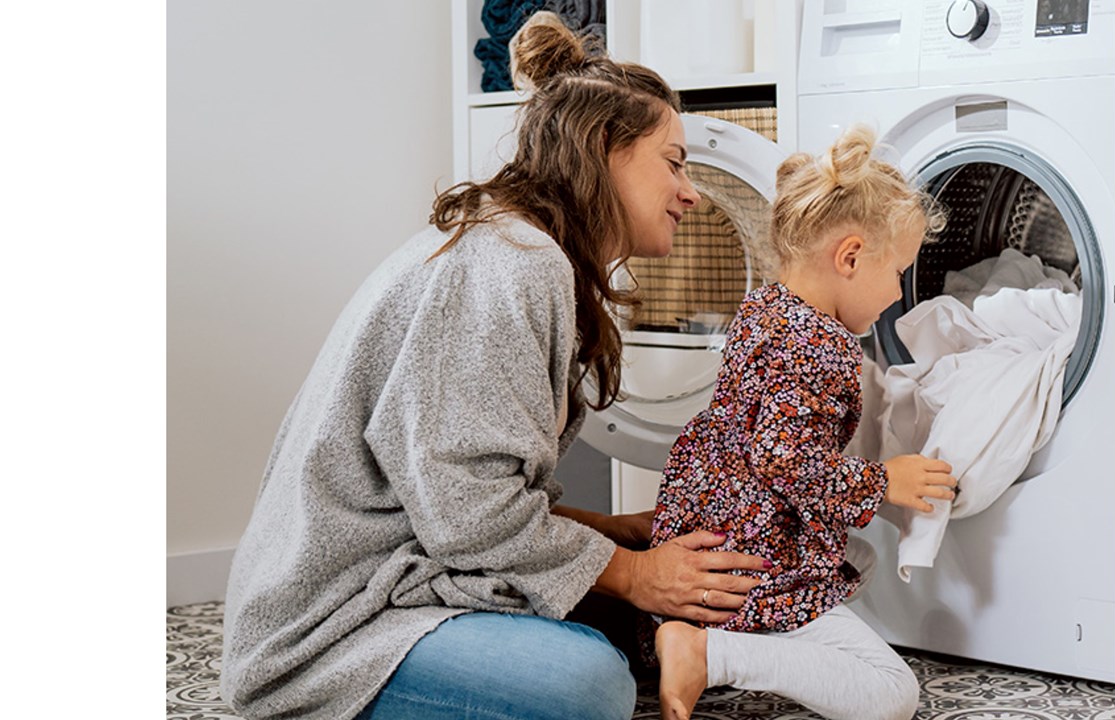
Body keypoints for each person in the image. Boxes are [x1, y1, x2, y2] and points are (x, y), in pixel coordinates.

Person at [218, 12, 769, 720]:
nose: (689, 191)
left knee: (648, 623)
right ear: (605, 149)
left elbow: (456, 491)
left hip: (402, 569)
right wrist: (634, 573)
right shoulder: (516, 263)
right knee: (589, 686)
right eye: (674, 161)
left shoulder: (522, 249)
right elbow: (468, 510)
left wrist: (609, 533)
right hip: (329, 630)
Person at [648, 125, 958, 720]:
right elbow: (783, 459)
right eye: (898, 272)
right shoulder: (822, 345)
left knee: (855, 560)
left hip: (717, 535)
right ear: (850, 257)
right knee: (893, 695)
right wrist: (883, 481)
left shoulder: (764, 308)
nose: (897, 294)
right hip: (753, 562)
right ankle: (709, 653)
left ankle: (715, 640)